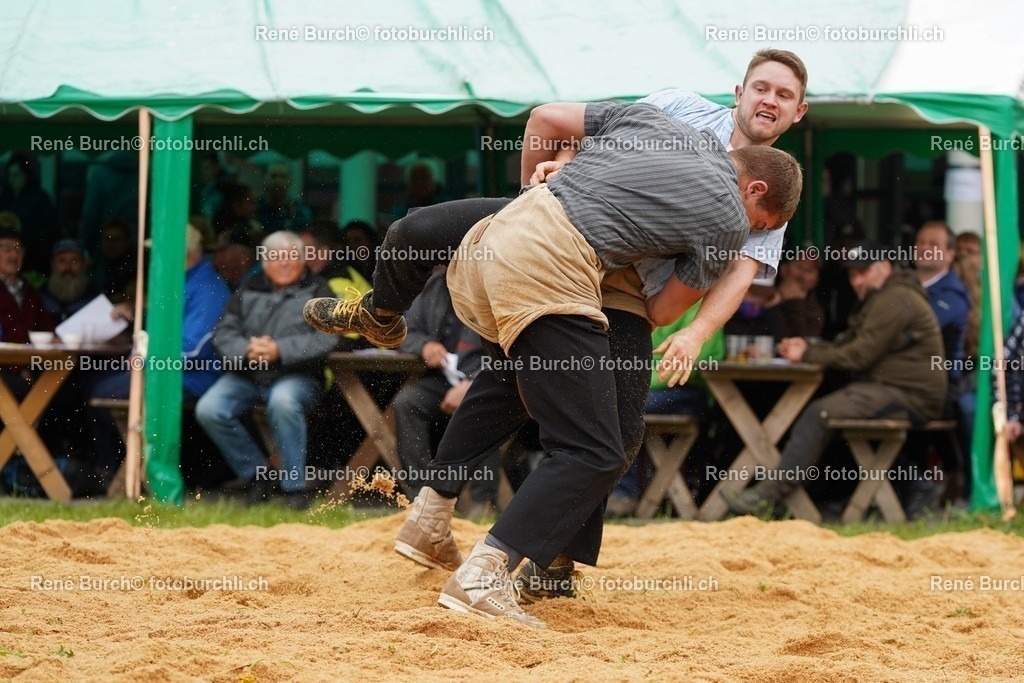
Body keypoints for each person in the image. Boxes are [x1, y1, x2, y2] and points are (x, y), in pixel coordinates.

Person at [307, 48, 811, 599]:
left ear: (798, 112)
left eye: (784, 96)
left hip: (611, 279)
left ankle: (483, 536)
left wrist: (693, 332)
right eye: (763, 87)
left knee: (534, 389)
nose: (770, 100)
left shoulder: (760, 185)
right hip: (568, 240)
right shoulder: (676, 112)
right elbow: (571, 135)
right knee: (595, 442)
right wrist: (543, 184)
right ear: (739, 92)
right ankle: (499, 564)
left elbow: (737, 272)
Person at [723, 241, 947, 516]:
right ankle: (874, 490)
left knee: (821, 412)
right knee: (828, 407)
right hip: (893, 390)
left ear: (885, 267)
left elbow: (858, 355)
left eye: (863, 272)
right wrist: (810, 350)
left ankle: (768, 498)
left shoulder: (894, 299)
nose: (857, 281)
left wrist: (807, 354)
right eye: (853, 274)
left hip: (909, 395)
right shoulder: (885, 296)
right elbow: (848, 346)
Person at [195, 231, 337, 510]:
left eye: (291, 257)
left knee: (283, 401)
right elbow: (224, 333)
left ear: (304, 260)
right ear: (265, 261)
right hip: (248, 374)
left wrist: (280, 350)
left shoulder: (320, 290)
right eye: (276, 257)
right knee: (209, 409)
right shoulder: (249, 287)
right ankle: (258, 475)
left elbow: (329, 337)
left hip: (298, 377)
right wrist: (247, 349)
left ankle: (294, 488)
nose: (284, 263)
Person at [88, 224, 232, 484]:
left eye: (161, 251)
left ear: (183, 253)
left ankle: (114, 474)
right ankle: (123, 470)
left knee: (101, 391)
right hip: (169, 372)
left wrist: (146, 358)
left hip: (192, 377)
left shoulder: (207, 287)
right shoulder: (184, 280)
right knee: (98, 383)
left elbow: (194, 348)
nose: (156, 258)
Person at [394, 268, 497, 506]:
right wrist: (425, 345)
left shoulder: (496, 284)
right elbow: (406, 331)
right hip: (442, 377)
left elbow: (514, 348)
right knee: (407, 403)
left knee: (485, 407)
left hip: (491, 378)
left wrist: (472, 383)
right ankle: (419, 499)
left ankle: (482, 505)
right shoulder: (435, 285)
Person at [914, 221, 971, 385]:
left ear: (950, 253)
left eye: (933, 244)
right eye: (920, 242)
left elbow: (913, 329)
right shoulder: (901, 283)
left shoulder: (953, 296)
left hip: (935, 386)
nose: (924, 248)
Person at [0, 152, 58, 277]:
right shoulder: (4, 198)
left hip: (33, 259)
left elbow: (51, 229)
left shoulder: (40, 198)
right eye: (9, 175)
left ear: (26, 175)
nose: (12, 179)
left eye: (16, 175)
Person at [39, 240, 100, 324]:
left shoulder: (95, 297)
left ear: (84, 265)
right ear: (53, 265)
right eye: (62, 261)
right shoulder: (41, 296)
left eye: (74, 261)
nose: (68, 267)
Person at [768, 251, 824, 338]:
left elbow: (802, 341)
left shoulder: (815, 310)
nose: (803, 276)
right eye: (799, 267)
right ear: (784, 269)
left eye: (809, 270)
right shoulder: (765, 295)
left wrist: (795, 301)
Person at [256, 163, 312, 233]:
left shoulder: (300, 212)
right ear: (265, 178)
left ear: (290, 180)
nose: (278, 181)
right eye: (273, 176)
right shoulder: (254, 209)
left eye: (283, 177)